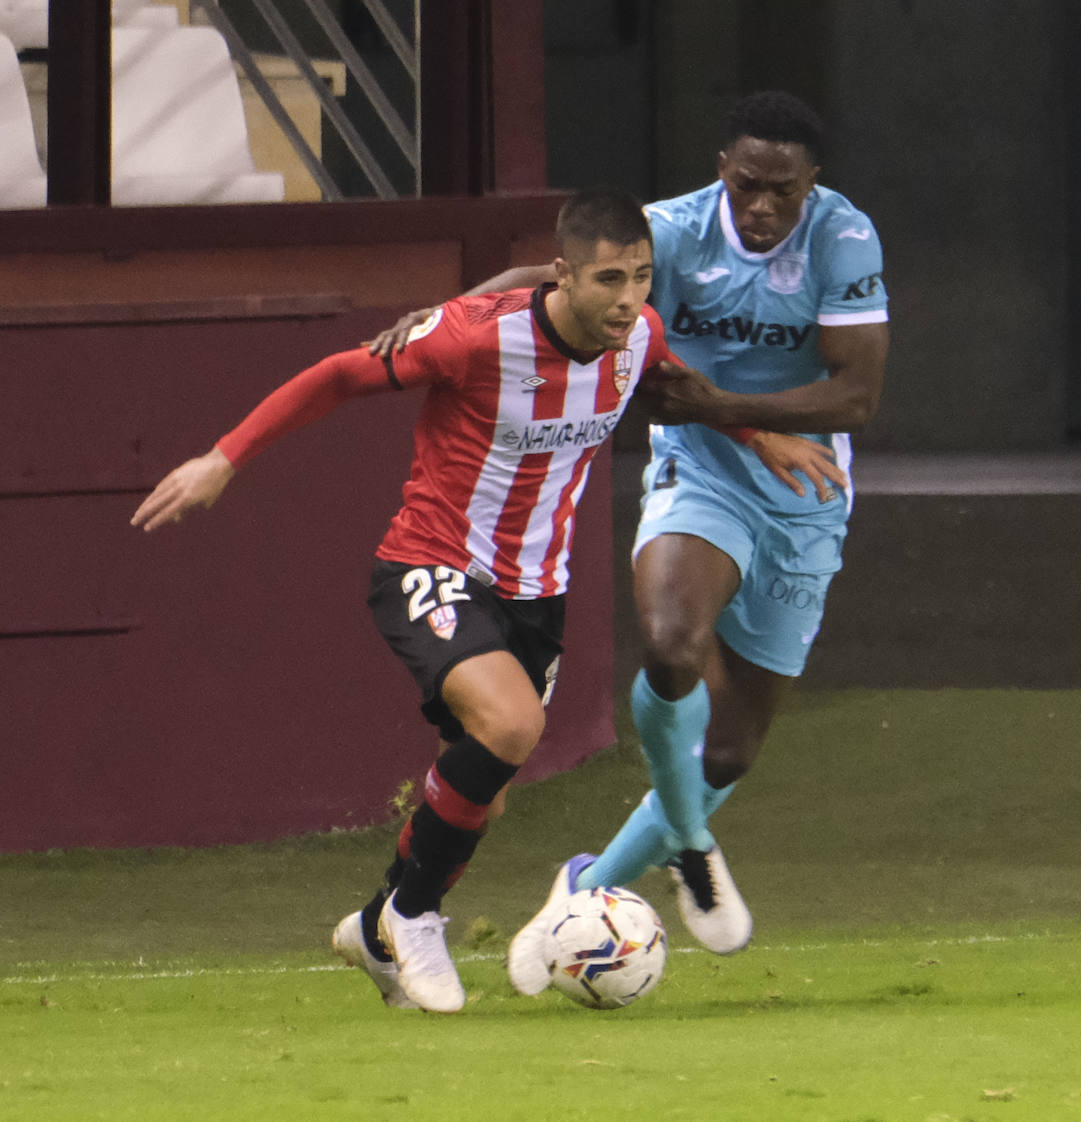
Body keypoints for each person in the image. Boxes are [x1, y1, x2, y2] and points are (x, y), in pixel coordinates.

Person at [131, 187, 841, 1014]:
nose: (629, 299)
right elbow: (336, 375)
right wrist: (225, 457)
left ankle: (373, 924)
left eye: (642, 278)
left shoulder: (636, 338)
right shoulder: (476, 338)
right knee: (511, 725)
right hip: (431, 562)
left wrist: (764, 436)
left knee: (485, 787)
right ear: (564, 274)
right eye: (609, 279)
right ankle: (414, 914)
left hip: (538, 593)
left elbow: (677, 380)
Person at [371, 91, 889, 994]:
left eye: (785, 192)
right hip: (700, 468)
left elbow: (857, 397)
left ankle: (589, 886)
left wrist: (727, 407)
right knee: (672, 643)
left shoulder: (844, 239)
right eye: (748, 186)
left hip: (807, 492)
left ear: (814, 186)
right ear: (722, 170)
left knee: (728, 751)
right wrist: (440, 317)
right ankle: (690, 845)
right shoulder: (674, 230)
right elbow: (547, 279)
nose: (763, 208)